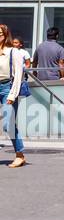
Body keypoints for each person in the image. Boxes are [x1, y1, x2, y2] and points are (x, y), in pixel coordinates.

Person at [0, 25, 27, 169]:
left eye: (0, 34)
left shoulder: (13, 52)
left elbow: (18, 75)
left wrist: (12, 94)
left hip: (7, 88)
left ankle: (20, 155)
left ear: (5, 35)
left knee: (8, 124)